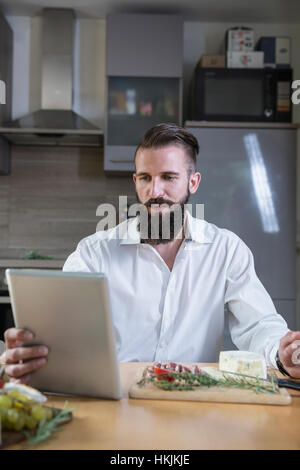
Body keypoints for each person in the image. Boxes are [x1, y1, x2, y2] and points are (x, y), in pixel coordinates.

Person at [2, 123, 300, 384]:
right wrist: (26, 351)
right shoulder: (93, 253)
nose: (155, 190)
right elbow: (60, 333)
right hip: (116, 400)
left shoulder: (226, 250)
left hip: (191, 401)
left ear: (192, 182)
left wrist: (281, 351)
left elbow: (259, 324)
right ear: (136, 182)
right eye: (145, 177)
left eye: (169, 177)